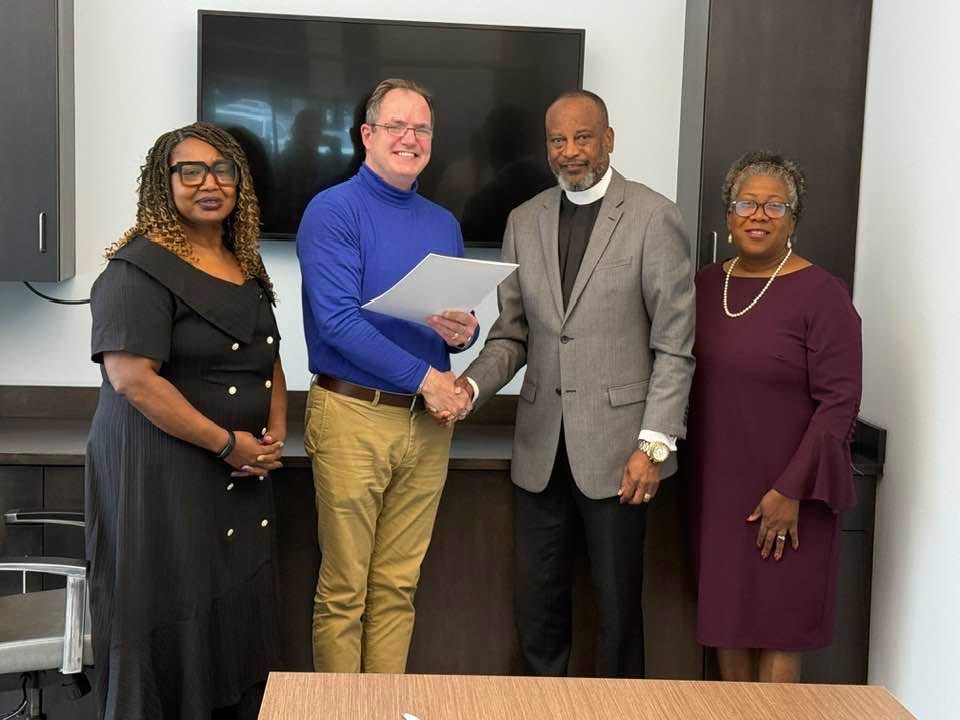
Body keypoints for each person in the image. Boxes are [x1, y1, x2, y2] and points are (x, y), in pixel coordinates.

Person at [457, 90, 695, 678]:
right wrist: (469, 389)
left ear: (608, 139)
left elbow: (674, 346)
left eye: (583, 137)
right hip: (540, 451)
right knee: (536, 608)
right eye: (557, 140)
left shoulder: (653, 216)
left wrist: (652, 447)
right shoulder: (523, 220)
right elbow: (512, 335)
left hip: (621, 456)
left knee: (617, 612)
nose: (570, 151)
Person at [86, 122, 286, 719]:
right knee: (170, 612)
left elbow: (267, 356)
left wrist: (271, 435)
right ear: (163, 182)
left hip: (239, 472)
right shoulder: (137, 268)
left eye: (223, 170)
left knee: (230, 616)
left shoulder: (243, 261)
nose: (209, 183)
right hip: (161, 473)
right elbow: (132, 378)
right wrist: (227, 445)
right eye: (190, 170)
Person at [296, 78, 478, 673]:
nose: (410, 138)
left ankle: (383, 707)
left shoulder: (443, 222)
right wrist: (429, 378)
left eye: (421, 129)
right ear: (367, 135)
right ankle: (340, 713)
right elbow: (337, 323)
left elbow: (449, 325)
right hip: (353, 415)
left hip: (425, 424)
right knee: (345, 591)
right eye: (396, 126)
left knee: (398, 586)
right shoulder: (332, 211)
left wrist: (464, 333)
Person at [688, 151, 862, 682]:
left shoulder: (823, 294)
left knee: (780, 631)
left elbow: (839, 403)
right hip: (719, 491)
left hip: (792, 494)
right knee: (727, 625)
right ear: (728, 215)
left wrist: (790, 490)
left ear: (793, 219)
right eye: (746, 203)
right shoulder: (704, 285)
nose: (758, 215)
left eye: (775, 205)